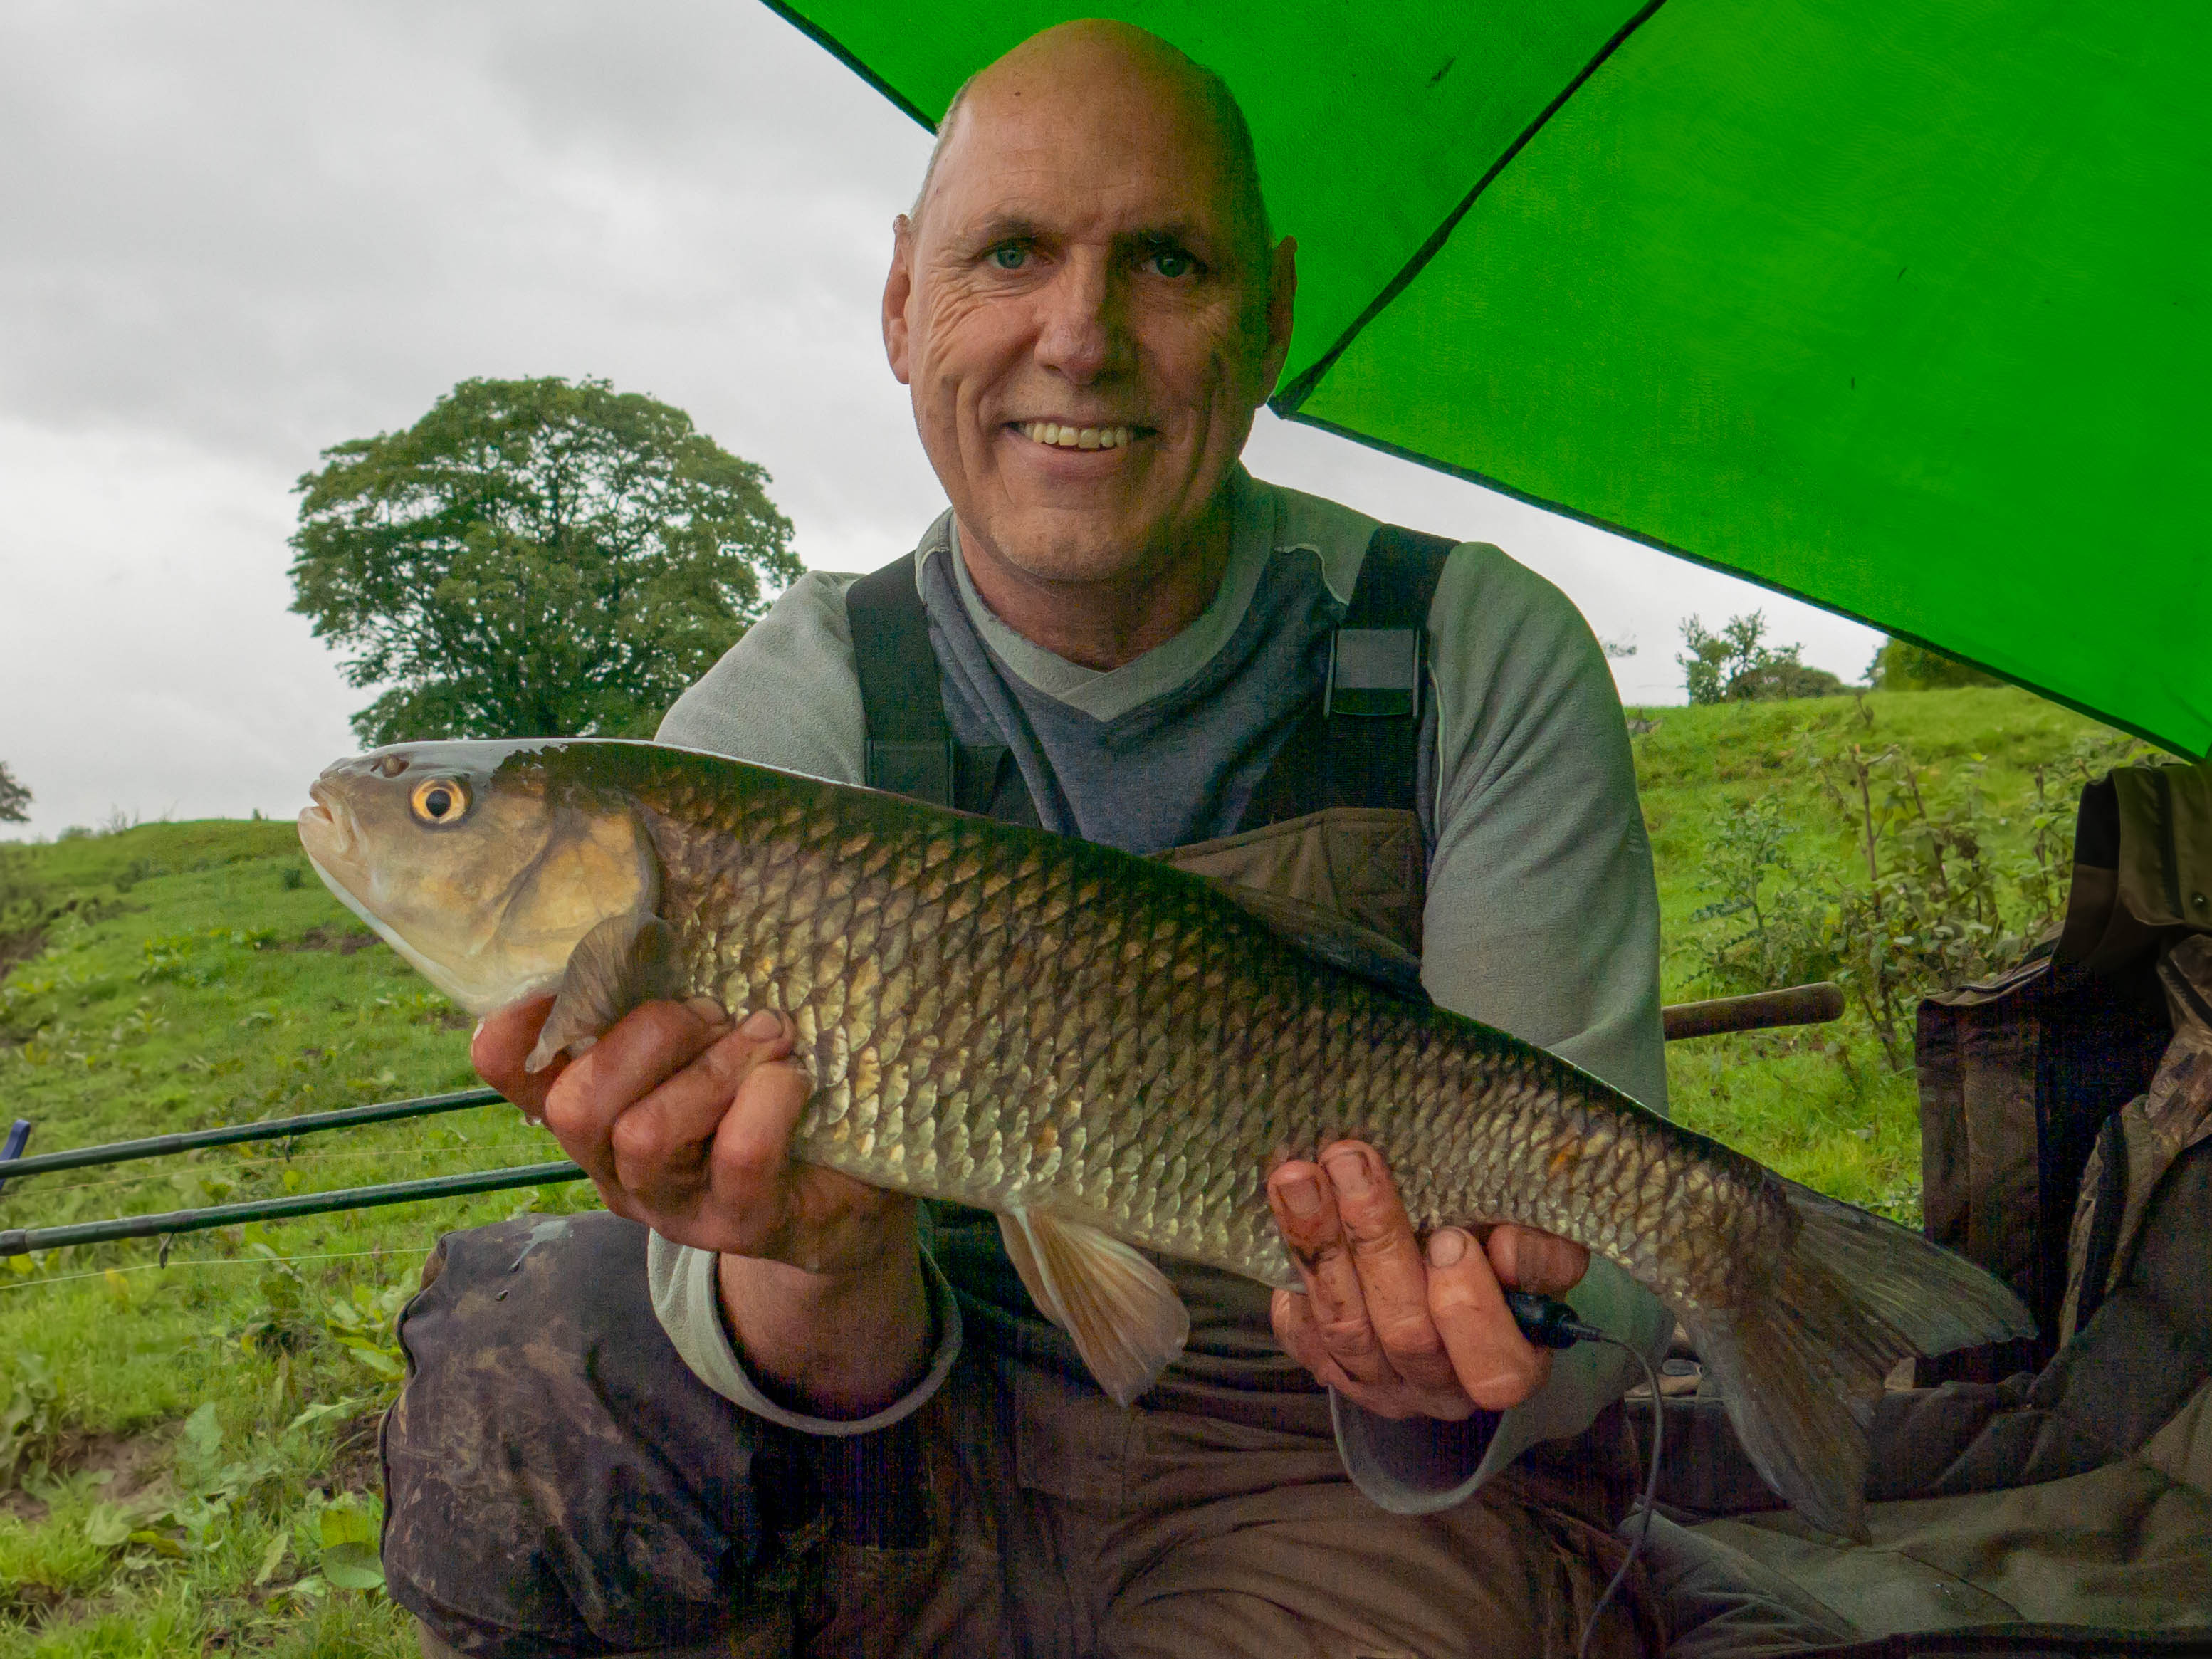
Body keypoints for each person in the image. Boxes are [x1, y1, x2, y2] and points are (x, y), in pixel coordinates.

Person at [382, 21, 1838, 1658]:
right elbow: (800, 1362)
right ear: (899, 301)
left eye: (1167, 262)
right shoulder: (780, 716)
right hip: (910, 1429)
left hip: (1335, 1472)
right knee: (529, 1343)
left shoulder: (1462, 647)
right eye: (1008, 254)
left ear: (1273, 314)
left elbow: (1591, 1278)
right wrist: (827, 1255)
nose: (1080, 337)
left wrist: (1462, 1356)